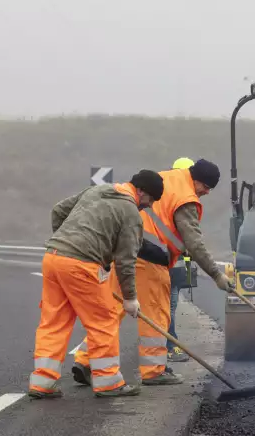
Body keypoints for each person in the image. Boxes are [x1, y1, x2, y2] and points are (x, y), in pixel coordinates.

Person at [71, 159, 234, 386]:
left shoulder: (165, 178)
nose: (206, 192)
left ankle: (86, 359)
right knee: (156, 315)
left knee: (111, 311)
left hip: (125, 251)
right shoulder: (186, 198)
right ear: (196, 179)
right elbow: (194, 242)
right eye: (206, 187)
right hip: (151, 257)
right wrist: (216, 275)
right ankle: (154, 370)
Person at [28, 170, 164, 399]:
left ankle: (42, 382)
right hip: (82, 264)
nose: (149, 206)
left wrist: (67, 241)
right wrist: (130, 298)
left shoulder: (99, 190)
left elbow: (58, 210)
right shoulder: (130, 212)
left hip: (53, 257)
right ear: (141, 191)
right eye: (150, 200)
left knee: (54, 322)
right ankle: (108, 381)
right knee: (104, 320)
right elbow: (126, 260)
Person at [167, 156, 195, 363]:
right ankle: (170, 346)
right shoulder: (180, 200)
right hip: (166, 267)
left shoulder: (167, 195)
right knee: (168, 309)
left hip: (172, 267)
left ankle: (86, 357)